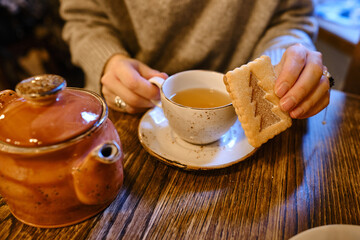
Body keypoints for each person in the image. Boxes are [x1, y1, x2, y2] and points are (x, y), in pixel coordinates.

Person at [59, 0, 331, 119]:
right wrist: (108, 61)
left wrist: (280, 61)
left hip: (251, 111)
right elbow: (84, 16)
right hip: (128, 108)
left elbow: (291, 15)